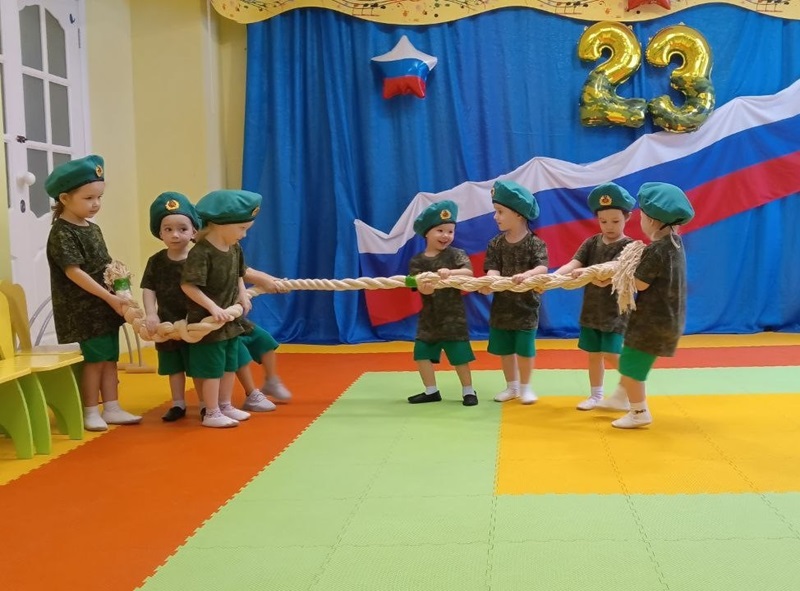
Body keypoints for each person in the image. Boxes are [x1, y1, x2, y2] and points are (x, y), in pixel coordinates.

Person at [45, 154, 142, 431]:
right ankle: (90, 410)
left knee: (109, 358)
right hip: (83, 310)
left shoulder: (93, 229)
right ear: (65, 198)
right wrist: (109, 297)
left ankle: (112, 407)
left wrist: (120, 289)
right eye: (88, 198)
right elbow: (74, 272)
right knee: (94, 361)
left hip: (104, 307)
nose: (96, 204)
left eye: (99, 197)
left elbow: (105, 266)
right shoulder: (62, 233)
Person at [596, 182, 695, 429]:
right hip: (669, 319)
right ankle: (621, 397)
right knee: (636, 362)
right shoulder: (675, 243)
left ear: (651, 221)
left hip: (652, 321)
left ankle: (639, 412)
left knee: (630, 366)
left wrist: (615, 277)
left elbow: (640, 284)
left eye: (641, 216)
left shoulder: (656, 250)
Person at [181, 189, 259, 428]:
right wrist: (213, 307)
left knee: (229, 365)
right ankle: (211, 411)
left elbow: (239, 274)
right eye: (241, 228)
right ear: (221, 224)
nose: (244, 234)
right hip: (209, 323)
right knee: (212, 368)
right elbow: (188, 285)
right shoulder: (202, 252)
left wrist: (242, 294)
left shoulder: (234, 248)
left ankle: (225, 405)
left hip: (230, 320)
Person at [554, 182, 635, 410]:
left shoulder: (630, 246)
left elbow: (614, 269)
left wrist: (591, 273)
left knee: (611, 352)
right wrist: (553, 278)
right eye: (603, 221)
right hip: (591, 310)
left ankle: (632, 389)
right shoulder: (591, 242)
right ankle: (596, 396)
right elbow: (574, 263)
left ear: (627, 217)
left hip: (615, 312)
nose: (609, 226)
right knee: (593, 354)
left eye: (615, 221)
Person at [479, 180, 548, 405]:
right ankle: (512, 387)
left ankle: (526, 388)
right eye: (495, 211)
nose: (495, 217)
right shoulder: (495, 244)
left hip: (526, 309)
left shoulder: (535, 243)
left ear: (518, 214)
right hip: (502, 309)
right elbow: (492, 269)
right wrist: (490, 281)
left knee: (525, 351)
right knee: (506, 351)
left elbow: (542, 268)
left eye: (500, 211)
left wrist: (528, 275)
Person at [407, 200, 478, 406]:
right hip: (429, 319)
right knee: (421, 354)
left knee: (460, 356)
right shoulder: (417, 261)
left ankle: (468, 391)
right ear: (427, 233)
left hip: (453, 318)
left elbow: (468, 273)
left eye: (450, 231)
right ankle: (431, 391)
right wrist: (426, 288)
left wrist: (450, 272)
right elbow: (416, 284)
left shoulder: (456, 254)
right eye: (440, 230)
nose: (446, 235)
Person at [140, 192, 202, 421]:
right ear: (160, 233)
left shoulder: (199, 258)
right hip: (167, 322)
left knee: (198, 366)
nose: (175, 235)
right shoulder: (156, 261)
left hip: (195, 323)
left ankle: (205, 403)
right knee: (173, 366)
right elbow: (149, 289)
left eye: (182, 229)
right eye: (168, 229)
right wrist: (151, 314)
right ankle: (178, 403)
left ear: (194, 231)